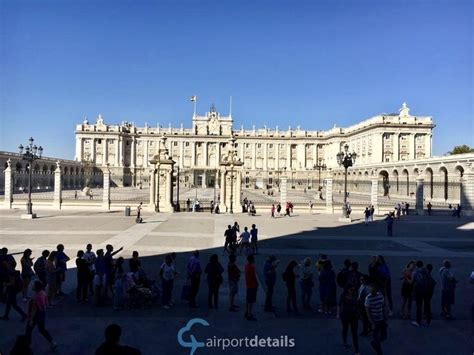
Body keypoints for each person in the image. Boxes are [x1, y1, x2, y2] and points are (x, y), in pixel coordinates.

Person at [25, 281, 57, 351]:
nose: (32, 286)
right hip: (42, 314)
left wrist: (31, 320)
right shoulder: (43, 293)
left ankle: (28, 346)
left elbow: (34, 310)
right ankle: (52, 342)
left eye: (33, 285)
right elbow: (46, 304)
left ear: (36, 287)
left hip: (36, 316)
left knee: (28, 330)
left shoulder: (35, 297)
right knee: (42, 330)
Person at [365, 283, 388, 355]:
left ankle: (374, 343)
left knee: (384, 336)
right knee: (376, 337)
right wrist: (371, 323)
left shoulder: (380, 295)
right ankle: (379, 352)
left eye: (373, 290)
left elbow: (383, 306)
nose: (372, 292)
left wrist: (385, 317)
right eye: (371, 291)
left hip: (381, 319)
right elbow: (367, 311)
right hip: (374, 321)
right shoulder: (368, 298)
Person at [337, 285, 360, 355]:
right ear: (348, 290)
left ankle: (357, 349)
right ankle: (345, 341)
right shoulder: (344, 296)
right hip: (345, 315)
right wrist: (338, 314)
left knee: (354, 333)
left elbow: (357, 305)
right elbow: (339, 304)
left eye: (353, 290)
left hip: (354, 316)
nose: (352, 291)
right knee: (345, 329)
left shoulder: (355, 295)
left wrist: (358, 313)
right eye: (351, 290)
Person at [411, 260, 430, 327]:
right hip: (426, 289)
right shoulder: (426, 271)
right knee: (427, 304)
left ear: (416, 266)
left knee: (419, 305)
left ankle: (418, 321)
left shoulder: (415, 272)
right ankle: (428, 320)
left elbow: (412, 281)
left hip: (418, 289)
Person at [244, 254, 258, 321]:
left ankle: (247, 312)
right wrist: (256, 283)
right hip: (252, 285)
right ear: (251, 260)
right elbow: (253, 277)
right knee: (251, 301)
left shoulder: (246, 266)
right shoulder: (251, 267)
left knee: (248, 300)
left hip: (248, 285)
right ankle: (249, 314)